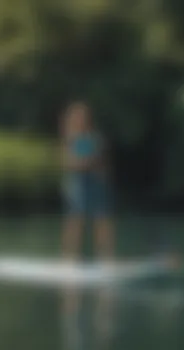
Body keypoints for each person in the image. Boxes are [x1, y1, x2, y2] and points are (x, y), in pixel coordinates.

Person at [60, 101, 114, 262]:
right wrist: (85, 163)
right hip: (78, 182)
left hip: (95, 181)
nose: (81, 119)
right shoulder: (71, 138)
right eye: (78, 116)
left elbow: (102, 161)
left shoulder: (95, 137)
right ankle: (69, 258)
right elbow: (69, 163)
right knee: (76, 220)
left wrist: (98, 169)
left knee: (102, 219)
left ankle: (106, 257)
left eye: (83, 116)